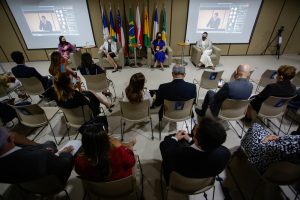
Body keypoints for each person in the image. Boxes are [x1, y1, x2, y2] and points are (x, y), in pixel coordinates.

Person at [160, 118, 230, 183]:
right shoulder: (225, 153)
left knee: (168, 138)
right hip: (203, 183)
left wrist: (174, 138)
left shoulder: (179, 155)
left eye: (196, 129)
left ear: (196, 139)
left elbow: (164, 149)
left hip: (179, 182)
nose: (195, 125)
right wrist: (190, 140)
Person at [0, 127, 74, 183]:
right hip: (55, 183)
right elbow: (65, 165)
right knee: (51, 144)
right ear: (11, 138)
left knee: (49, 143)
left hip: (27, 185)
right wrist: (65, 153)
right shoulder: (41, 156)